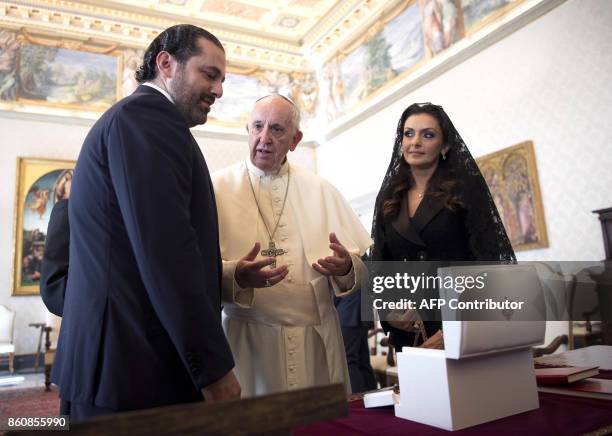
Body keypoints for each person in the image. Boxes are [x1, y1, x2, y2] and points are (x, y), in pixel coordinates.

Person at [51, 24, 240, 421]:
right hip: (134, 371)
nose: (219, 90)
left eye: (222, 79)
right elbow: (167, 252)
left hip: (124, 368)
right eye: (209, 74)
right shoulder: (146, 119)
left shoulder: (137, 120)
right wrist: (212, 366)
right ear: (166, 64)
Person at [212, 94, 372, 397]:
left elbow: (360, 272)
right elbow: (192, 270)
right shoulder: (215, 188)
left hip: (316, 341)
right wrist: (236, 276)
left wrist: (346, 267)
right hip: (248, 345)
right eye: (258, 126)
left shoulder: (320, 189)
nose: (264, 138)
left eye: (277, 129)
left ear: (295, 139)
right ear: (247, 129)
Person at [370, 102, 515, 351]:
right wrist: (389, 312)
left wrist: (455, 331)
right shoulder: (389, 197)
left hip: (461, 330)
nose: (415, 142)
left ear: (445, 145)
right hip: (411, 336)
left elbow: (490, 266)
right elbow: (380, 268)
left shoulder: (466, 190)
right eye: (408, 133)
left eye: (428, 135)